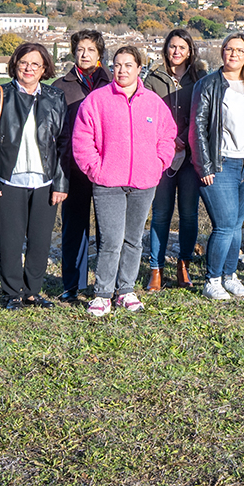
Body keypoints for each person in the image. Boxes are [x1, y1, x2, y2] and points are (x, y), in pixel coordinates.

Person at [72, 46, 175, 317]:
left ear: (139, 68)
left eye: (129, 65)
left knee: (133, 240)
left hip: (144, 182)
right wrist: (96, 170)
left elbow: (167, 136)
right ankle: (103, 293)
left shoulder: (153, 102)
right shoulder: (96, 101)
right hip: (108, 183)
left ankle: (126, 290)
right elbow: (82, 139)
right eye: (117, 65)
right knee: (110, 240)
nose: (122, 70)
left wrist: (159, 164)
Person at [0, 43, 68, 311]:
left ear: (45, 69)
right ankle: (11, 293)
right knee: (9, 240)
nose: (29, 68)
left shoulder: (55, 97)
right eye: (23, 63)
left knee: (41, 241)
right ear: (15, 64)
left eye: (35, 64)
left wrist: (61, 182)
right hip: (9, 181)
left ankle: (32, 292)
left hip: (44, 181)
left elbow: (63, 143)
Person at [190, 33, 244, 301]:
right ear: (222, 52)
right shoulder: (209, 84)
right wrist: (204, 166)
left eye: (240, 50)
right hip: (221, 164)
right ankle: (212, 279)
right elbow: (197, 126)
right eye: (229, 49)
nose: (234, 54)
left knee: (237, 225)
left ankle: (230, 276)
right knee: (224, 224)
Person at [142, 28, 204, 292]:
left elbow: (205, 111)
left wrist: (186, 136)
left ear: (190, 50)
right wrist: (169, 138)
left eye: (182, 47)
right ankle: (156, 269)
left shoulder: (200, 78)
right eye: (172, 47)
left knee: (189, 215)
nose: (176, 52)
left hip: (191, 158)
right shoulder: (153, 80)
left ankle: (183, 266)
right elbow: (146, 116)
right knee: (161, 214)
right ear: (165, 49)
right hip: (162, 156)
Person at [52, 30, 111, 300]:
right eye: (80, 49)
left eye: (90, 49)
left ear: (100, 54)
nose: (84, 54)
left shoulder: (112, 82)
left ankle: (104, 284)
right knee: (74, 228)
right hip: (73, 168)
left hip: (106, 166)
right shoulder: (60, 86)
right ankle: (72, 285)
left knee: (107, 230)